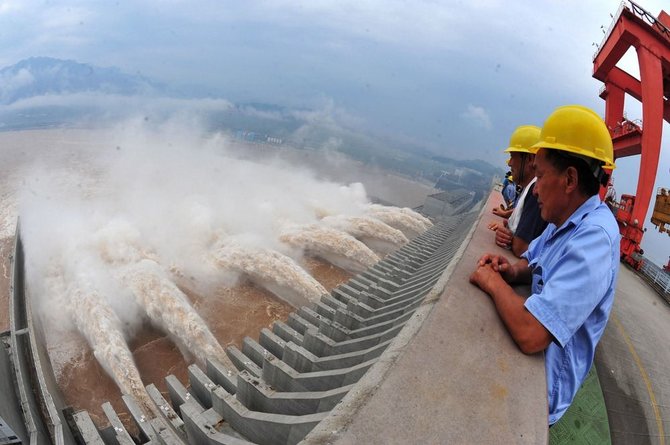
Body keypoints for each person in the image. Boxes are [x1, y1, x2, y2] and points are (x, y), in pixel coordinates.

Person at [470, 105, 620, 426]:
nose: (534, 189)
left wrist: (492, 282)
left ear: (569, 179)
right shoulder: (562, 218)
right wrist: (511, 271)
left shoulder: (595, 239)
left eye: (540, 176)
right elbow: (533, 261)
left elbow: (531, 334)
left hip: (545, 390)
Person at [490, 125, 548, 257]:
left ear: (529, 159)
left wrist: (511, 239)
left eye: (512, 156)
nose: (509, 163)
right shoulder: (529, 189)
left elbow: (521, 248)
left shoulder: (535, 192)